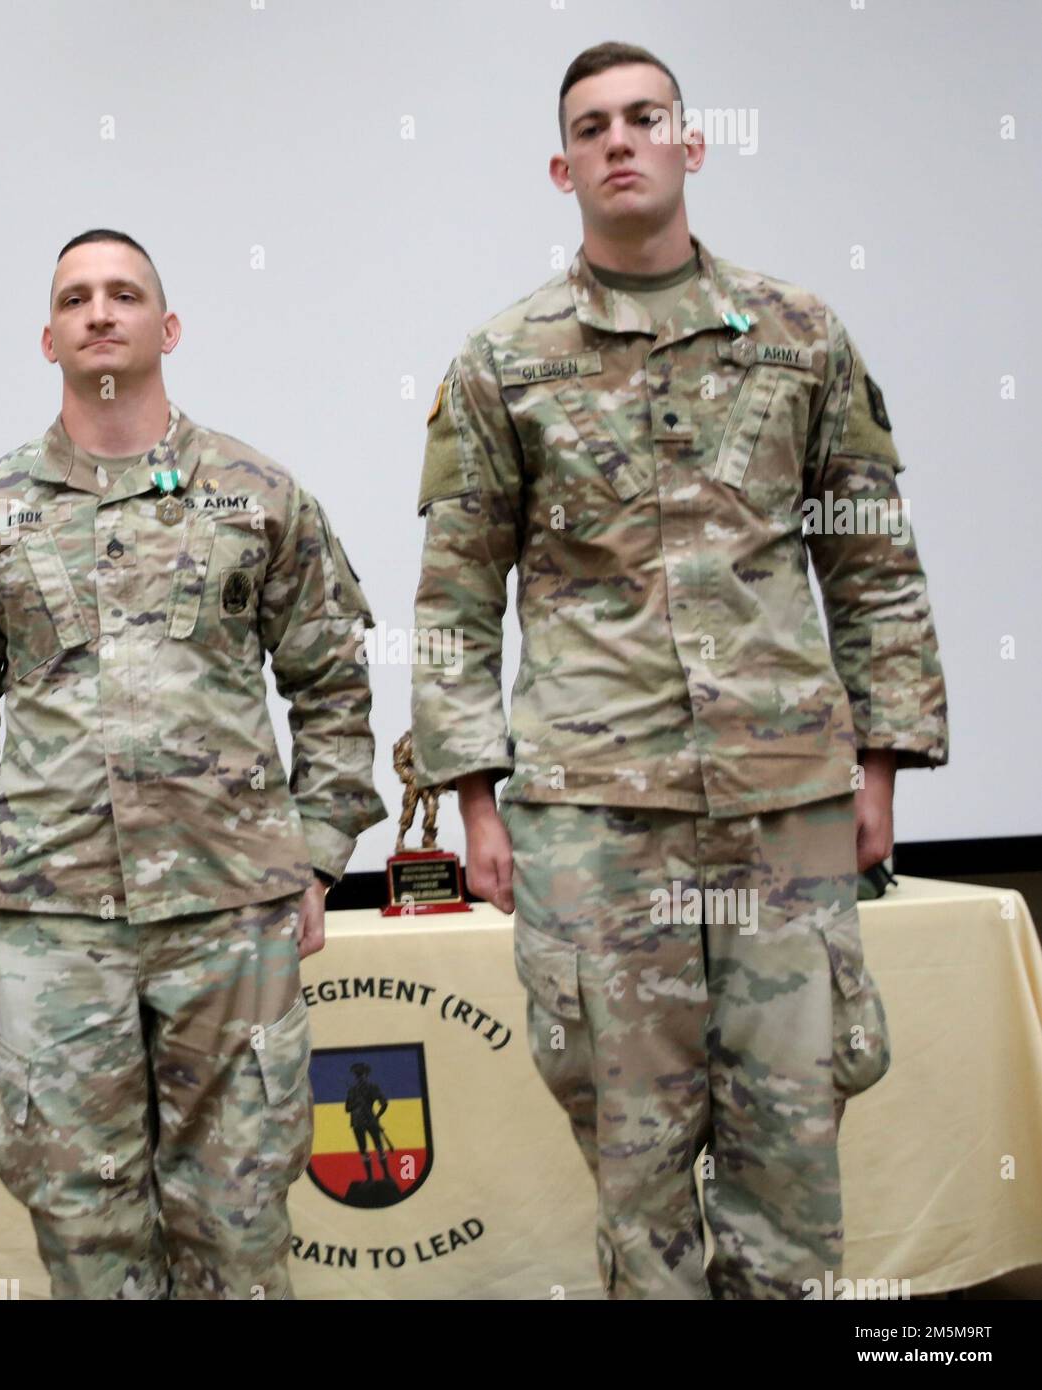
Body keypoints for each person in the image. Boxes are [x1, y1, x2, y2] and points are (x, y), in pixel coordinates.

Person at [410, 43, 948, 1299]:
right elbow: (453, 595)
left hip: (784, 804)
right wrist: (475, 800)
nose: (620, 140)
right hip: (595, 819)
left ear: (690, 145)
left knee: (791, 1138)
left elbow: (870, 564)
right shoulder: (503, 361)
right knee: (633, 1162)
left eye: (644, 117)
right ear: (561, 167)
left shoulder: (801, 335)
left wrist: (879, 764)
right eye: (592, 126)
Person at [0, 228, 386, 1299]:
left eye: (123, 293)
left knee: (239, 1207)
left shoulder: (257, 495)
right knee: (80, 1212)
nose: (99, 311)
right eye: (76, 297)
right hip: (55, 922)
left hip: (230, 914)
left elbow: (332, 682)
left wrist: (315, 856)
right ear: (48, 338)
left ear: (166, 328)